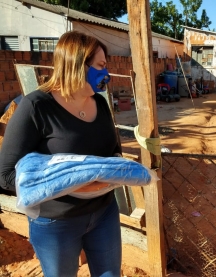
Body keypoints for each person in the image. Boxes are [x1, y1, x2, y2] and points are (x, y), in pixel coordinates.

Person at [0, 31, 122, 277]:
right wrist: (65, 184)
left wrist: (116, 169)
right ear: (76, 65)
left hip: (104, 212)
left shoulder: (99, 103)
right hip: (55, 222)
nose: (105, 74)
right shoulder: (36, 107)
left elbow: (113, 150)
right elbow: (5, 175)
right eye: (100, 66)